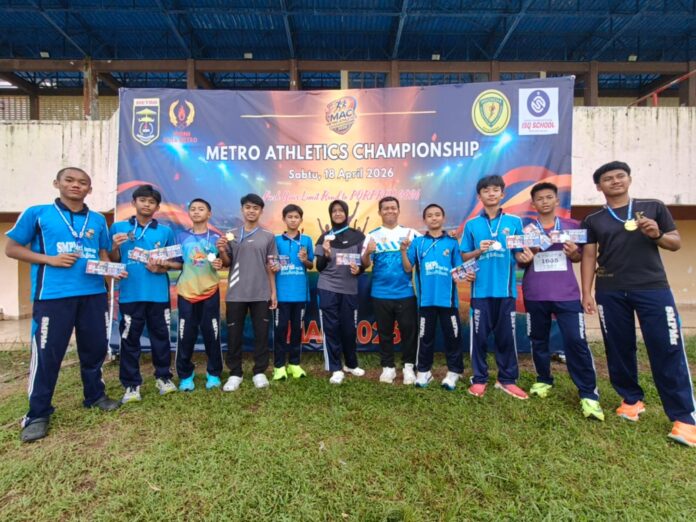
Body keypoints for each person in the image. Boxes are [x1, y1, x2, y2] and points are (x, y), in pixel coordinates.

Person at [581, 161, 696, 446]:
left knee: (666, 347)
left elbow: (675, 242)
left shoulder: (653, 207)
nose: (615, 181)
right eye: (608, 178)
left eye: (620, 176)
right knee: (618, 348)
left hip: (652, 289)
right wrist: (587, 292)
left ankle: (684, 417)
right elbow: (589, 256)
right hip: (610, 290)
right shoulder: (594, 219)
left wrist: (657, 234)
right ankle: (631, 400)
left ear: (629, 179)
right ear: (599, 186)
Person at [5, 167, 122, 443]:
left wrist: (112, 268)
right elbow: (11, 248)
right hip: (53, 296)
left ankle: (95, 396)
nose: (76, 185)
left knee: (94, 348)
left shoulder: (97, 219)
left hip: (93, 293)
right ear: (56, 183)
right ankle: (38, 413)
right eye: (69, 180)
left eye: (83, 183)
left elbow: (103, 254)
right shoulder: (38, 213)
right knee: (48, 353)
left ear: (89, 189)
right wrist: (50, 260)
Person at [519, 182, 604, 420]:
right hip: (535, 294)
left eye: (549, 197)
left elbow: (580, 257)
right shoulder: (526, 230)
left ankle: (588, 393)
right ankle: (543, 379)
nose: (544, 202)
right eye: (540, 198)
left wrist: (574, 252)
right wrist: (526, 256)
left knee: (576, 341)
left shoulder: (573, 227)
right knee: (538, 340)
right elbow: (520, 260)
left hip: (567, 294)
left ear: (557, 200)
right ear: (533, 203)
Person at [461, 175, 529, 400]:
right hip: (480, 291)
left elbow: (519, 253)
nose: (491, 194)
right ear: (479, 196)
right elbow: (465, 256)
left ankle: (507, 379)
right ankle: (479, 379)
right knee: (478, 338)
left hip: (506, 291)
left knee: (506, 337)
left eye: (495, 190)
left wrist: (526, 256)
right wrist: (478, 252)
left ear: (502, 194)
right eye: (486, 190)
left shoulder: (514, 222)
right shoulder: (472, 225)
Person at [109, 184, 179, 403]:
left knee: (161, 337)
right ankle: (131, 384)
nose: (147, 205)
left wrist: (162, 266)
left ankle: (163, 377)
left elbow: (177, 263)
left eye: (151, 202)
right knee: (129, 339)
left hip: (158, 295)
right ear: (134, 202)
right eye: (143, 200)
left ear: (157, 207)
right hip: (130, 294)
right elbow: (112, 259)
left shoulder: (165, 231)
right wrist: (114, 246)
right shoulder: (118, 228)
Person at [401, 203, 469, 390]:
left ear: (443, 218)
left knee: (453, 337)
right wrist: (403, 251)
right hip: (426, 301)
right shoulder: (418, 243)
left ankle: (454, 372)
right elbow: (407, 268)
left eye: (437, 214)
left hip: (448, 301)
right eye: (430, 215)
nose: (434, 218)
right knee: (425, 338)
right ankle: (424, 371)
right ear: (425, 220)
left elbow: (459, 270)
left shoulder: (452, 242)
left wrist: (466, 273)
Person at [217, 193, 277, 391]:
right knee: (234, 335)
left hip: (261, 293)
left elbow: (271, 266)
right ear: (242, 209)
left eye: (255, 208)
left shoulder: (268, 236)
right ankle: (235, 373)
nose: (251, 211)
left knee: (262, 334)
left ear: (261, 211)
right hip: (236, 293)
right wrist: (222, 250)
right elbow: (226, 263)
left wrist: (273, 292)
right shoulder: (231, 235)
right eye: (248, 207)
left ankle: (260, 372)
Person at [362, 197, 420, 385]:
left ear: (398, 210)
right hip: (380, 293)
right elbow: (365, 264)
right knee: (384, 333)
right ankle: (388, 367)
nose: (390, 211)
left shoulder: (411, 234)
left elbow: (427, 249)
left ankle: (409, 367)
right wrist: (367, 252)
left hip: (406, 293)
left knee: (408, 332)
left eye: (393, 208)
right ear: (379, 212)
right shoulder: (371, 235)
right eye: (385, 208)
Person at [175, 198, 224, 391]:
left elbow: (224, 261)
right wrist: (160, 263)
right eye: (193, 209)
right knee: (185, 335)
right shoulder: (180, 236)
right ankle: (186, 375)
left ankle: (214, 373)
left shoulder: (217, 238)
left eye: (201, 209)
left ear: (209, 214)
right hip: (186, 293)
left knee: (212, 334)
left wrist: (221, 262)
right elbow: (177, 262)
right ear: (189, 213)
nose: (196, 212)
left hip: (210, 291)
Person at [315, 200, 366, 385]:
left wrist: (359, 270)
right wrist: (326, 254)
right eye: (334, 211)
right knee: (331, 328)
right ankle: (335, 368)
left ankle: (351, 364)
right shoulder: (324, 238)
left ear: (346, 213)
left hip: (349, 289)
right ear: (330, 214)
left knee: (349, 328)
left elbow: (363, 263)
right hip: (328, 287)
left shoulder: (358, 236)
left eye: (340, 210)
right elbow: (319, 267)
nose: (337, 213)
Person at [271, 204, 314, 381]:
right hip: (282, 294)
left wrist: (305, 260)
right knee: (280, 329)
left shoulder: (307, 240)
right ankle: (279, 366)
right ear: (284, 219)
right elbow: (271, 263)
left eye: (296, 217)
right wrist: (274, 265)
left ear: (301, 220)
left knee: (297, 330)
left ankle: (294, 364)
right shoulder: (275, 240)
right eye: (290, 217)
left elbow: (311, 265)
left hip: (300, 294)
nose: (293, 220)